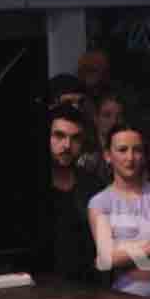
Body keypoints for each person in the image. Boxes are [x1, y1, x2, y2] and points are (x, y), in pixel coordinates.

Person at [87, 123, 150, 298]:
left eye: (137, 150)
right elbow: (107, 259)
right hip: (124, 294)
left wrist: (122, 253)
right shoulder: (100, 202)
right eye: (122, 150)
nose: (130, 157)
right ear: (108, 155)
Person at [43, 103, 102, 284]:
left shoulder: (93, 186)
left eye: (75, 138)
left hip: (87, 288)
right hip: (40, 287)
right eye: (59, 136)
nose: (67, 145)